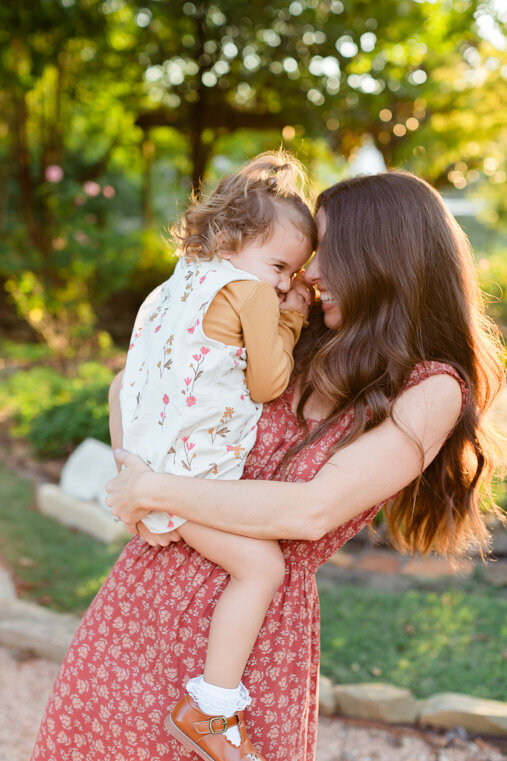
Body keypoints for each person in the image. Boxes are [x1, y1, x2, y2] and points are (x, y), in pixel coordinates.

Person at [31, 170, 504, 761]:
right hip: (140, 611)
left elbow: (309, 513)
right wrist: (137, 474)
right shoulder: (295, 331)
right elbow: (132, 382)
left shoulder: (431, 390)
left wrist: (154, 490)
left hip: (247, 655)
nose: (309, 272)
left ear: (381, 255)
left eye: (328, 251)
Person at [117, 150, 315, 758]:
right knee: (263, 569)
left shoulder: (175, 285)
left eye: (295, 274)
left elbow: (126, 380)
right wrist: (291, 323)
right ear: (231, 238)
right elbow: (269, 384)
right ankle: (211, 708)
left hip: (152, 464)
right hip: (196, 476)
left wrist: (129, 468)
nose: (284, 282)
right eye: (280, 265)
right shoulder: (253, 293)